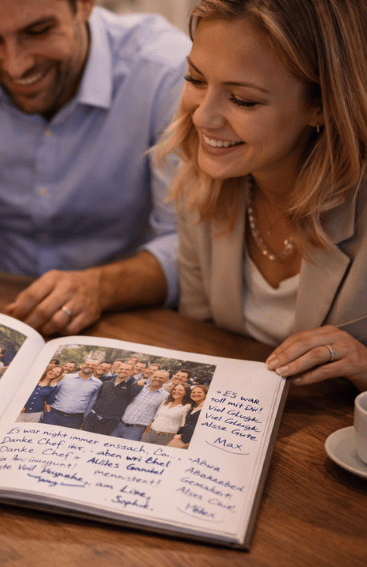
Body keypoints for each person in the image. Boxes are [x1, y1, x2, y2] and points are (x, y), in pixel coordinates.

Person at [0, 0, 191, 336]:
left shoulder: (165, 71)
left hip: (126, 300)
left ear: (84, 5)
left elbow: (184, 244)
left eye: (38, 32)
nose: (16, 66)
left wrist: (98, 287)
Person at [157, 0, 367, 392]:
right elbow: (200, 339)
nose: (202, 116)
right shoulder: (203, 180)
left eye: (243, 100)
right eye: (196, 79)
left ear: (322, 106)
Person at [82, 361, 141, 435]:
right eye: (121, 369)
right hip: (92, 417)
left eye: (127, 369)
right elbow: (97, 398)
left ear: (131, 372)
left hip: (110, 421)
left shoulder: (132, 386)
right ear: (117, 370)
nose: (123, 371)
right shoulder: (106, 383)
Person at [110, 370, 170, 441]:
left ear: (166, 381)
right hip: (119, 425)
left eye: (161, 378)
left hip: (136, 430)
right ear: (151, 377)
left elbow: (158, 415)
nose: (157, 379)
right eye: (155, 377)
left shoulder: (166, 396)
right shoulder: (139, 388)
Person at [41, 358, 101, 429]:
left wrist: (85, 417)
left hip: (75, 419)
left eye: (94, 365)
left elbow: (92, 401)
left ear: (97, 367)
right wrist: (48, 411)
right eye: (87, 364)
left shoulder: (98, 383)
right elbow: (51, 393)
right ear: (82, 365)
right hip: (53, 415)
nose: (90, 366)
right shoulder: (65, 377)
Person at [169, 384, 208, 448]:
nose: (195, 394)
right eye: (193, 392)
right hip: (182, 439)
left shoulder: (207, 409)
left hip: (192, 442)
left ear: (206, 394)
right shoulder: (193, 408)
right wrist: (179, 434)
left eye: (199, 392)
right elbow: (187, 424)